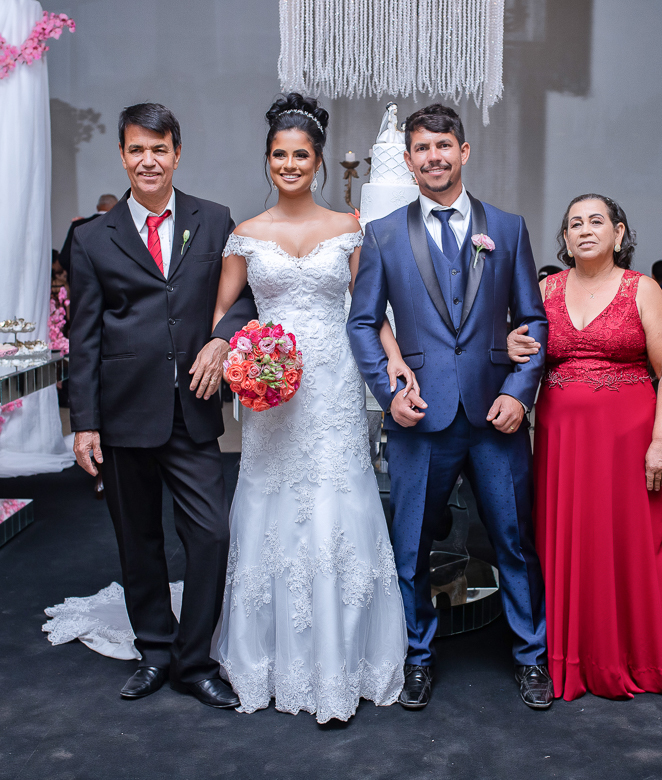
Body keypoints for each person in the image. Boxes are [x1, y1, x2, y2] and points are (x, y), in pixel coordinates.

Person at [348, 103, 553, 711]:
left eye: (443, 146)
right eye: (422, 148)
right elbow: (363, 323)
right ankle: (417, 657)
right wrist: (389, 395)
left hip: (495, 416)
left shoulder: (507, 228)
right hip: (420, 417)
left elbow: (533, 319)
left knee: (514, 540)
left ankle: (531, 657)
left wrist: (519, 393)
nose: (433, 157)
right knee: (410, 545)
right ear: (409, 159)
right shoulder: (384, 234)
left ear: (464, 151)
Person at [211, 93, 408, 724]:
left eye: (300, 155)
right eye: (279, 155)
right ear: (267, 160)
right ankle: (264, 659)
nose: (289, 165)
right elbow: (224, 315)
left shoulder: (350, 228)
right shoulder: (245, 234)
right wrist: (245, 356)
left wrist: (395, 362)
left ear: (318, 161)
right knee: (270, 500)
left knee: (336, 498)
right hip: (270, 389)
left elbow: (368, 310)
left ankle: (341, 660)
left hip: (332, 382)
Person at [69, 103, 256, 709]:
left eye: (158, 149)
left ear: (177, 153)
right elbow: (84, 337)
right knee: (138, 538)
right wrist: (85, 423)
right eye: (136, 150)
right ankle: (154, 650)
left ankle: (193, 660)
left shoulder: (214, 220)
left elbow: (243, 297)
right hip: (122, 411)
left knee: (212, 534)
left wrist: (222, 339)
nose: (147, 160)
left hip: (191, 408)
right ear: (123, 156)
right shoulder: (91, 237)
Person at [509, 194, 662, 700]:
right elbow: (521, 350)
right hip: (561, 442)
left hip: (627, 441)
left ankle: (631, 654)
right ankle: (566, 653)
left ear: (619, 233)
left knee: (627, 540)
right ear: (565, 239)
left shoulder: (643, 289)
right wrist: (510, 344)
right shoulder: (545, 290)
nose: (585, 230)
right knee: (566, 539)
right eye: (575, 224)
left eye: (596, 221)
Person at [59, 193, 118, 277]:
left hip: (81, 280)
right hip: (111, 281)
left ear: (97, 207)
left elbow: (64, 258)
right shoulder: (118, 226)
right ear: (115, 207)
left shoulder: (78, 225)